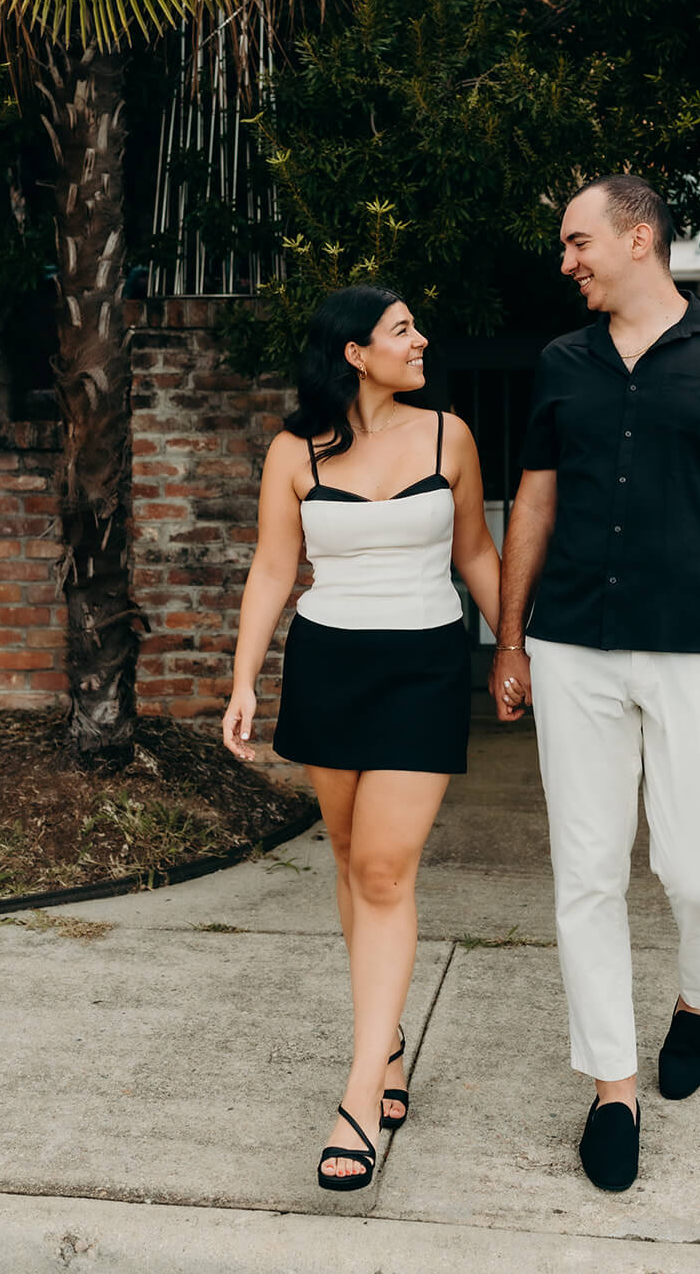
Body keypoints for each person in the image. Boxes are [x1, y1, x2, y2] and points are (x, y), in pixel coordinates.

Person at [490, 176, 700, 1192]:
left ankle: (699, 999)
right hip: (574, 646)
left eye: (575, 240)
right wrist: (509, 640)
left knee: (694, 871)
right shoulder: (560, 366)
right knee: (585, 873)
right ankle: (612, 1085)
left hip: (697, 651)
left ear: (638, 239)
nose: (565, 260)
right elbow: (532, 510)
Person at [223, 285, 516, 1194]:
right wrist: (242, 677)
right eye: (401, 330)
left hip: (423, 669)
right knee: (349, 857)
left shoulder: (448, 436)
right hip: (328, 666)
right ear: (355, 352)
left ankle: (359, 1096)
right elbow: (276, 563)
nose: (419, 339)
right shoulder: (292, 451)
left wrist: (511, 649)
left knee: (386, 871)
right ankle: (382, 1037)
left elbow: (473, 550)